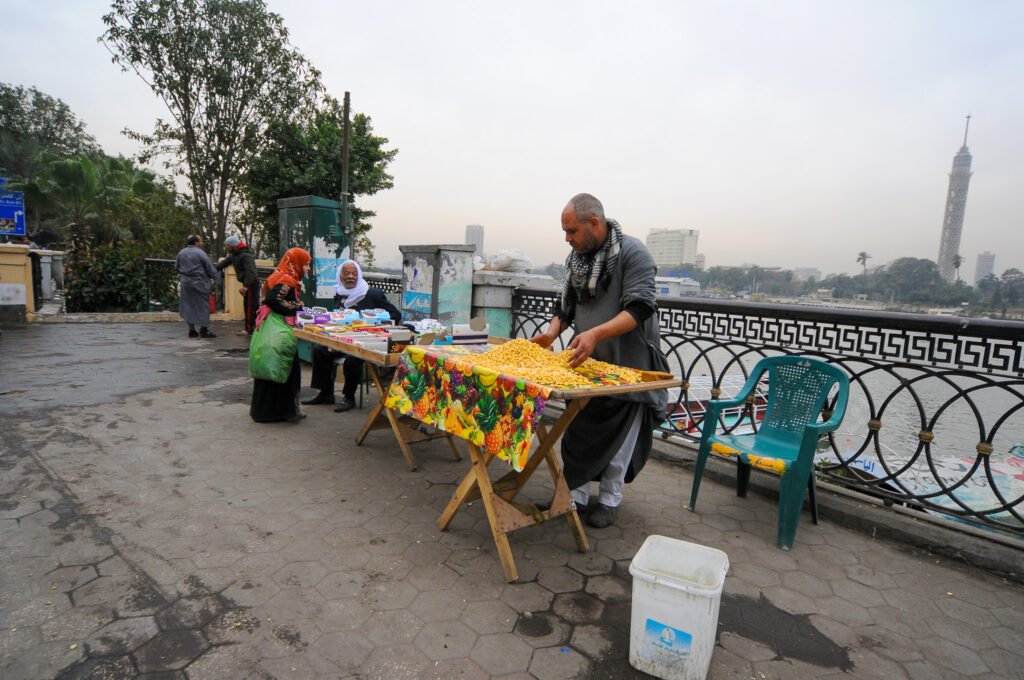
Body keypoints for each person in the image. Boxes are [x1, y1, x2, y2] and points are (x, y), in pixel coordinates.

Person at [530, 193, 668, 529]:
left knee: (620, 442)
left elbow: (639, 308)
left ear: (594, 223)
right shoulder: (576, 258)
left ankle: (609, 500)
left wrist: (595, 334)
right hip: (587, 367)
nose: (568, 238)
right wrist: (551, 334)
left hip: (630, 367)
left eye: (572, 231)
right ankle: (573, 496)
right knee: (578, 432)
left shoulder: (634, 254)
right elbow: (565, 306)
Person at [302, 259, 402, 412]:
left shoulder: (372, 294)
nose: (351, 277)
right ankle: (325, 393)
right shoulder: (340, 293)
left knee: (352, 358)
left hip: (365, 341)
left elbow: (395, 314)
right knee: (319, 350)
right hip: (343, 337)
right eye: (347, 273)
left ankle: (349, 397)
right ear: (340, 276)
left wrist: (370, 320)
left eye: (354, 274)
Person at [250, 247, 312, 423]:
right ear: (296, 264)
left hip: (273, 331)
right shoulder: (286, 280)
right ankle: (284, 411)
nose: (307, 269)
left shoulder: (280, 275)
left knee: (272, 367)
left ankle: (267, 412)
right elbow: (273, 300)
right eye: (306, 265)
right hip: (280, 332)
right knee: (287, 369)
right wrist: (297, 307)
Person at [175, 235, 219, 338]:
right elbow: (210, 268)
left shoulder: (181, 253)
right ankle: (204, 329)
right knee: (203, 306)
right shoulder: (201, 253)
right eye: (201, 241)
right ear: (196, 243)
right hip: (200, 283)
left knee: (189, 305)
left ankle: (192, 330)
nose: (202, 243)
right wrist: (218, 281)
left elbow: (176, 267)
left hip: (186, 283)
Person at [216, 235, 260, 335]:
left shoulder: (245, 255)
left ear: (233, 246)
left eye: (227, 245)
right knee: (248, 307)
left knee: (250, 308)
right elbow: (222, 264)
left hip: (251, 285)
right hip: (248, 284)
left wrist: (246, 286)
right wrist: (209, 271)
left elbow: (251, 272)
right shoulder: (234, 255)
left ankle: (249, 330)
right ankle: (252, 328)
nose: (226, 247)